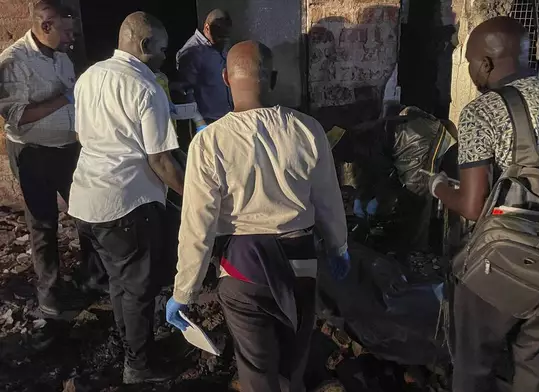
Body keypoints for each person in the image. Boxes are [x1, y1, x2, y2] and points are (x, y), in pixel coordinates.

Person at [165, 41, 349, 392]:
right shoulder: (308, 129)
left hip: (243, 269)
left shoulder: (210, 142)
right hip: (302, 262)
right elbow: (328, 200)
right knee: (294, 357)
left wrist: (183, 290)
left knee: (257, 368)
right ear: (274, 78)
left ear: (225, 78)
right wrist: (339, 246)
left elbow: (197, 226)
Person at [424, 17, 539, 392]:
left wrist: (438, 187)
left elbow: (472, 206)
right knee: (535, 376)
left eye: (469, 61)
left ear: (485, 62)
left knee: (474, 369)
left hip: (495, 267)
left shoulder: (482, 111)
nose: (470, 71)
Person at [68, 11, 184, 384]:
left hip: (87, 199)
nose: (166, 57)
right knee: (137, 289)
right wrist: (196, 197)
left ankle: (132, 345)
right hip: (125, 204)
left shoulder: (89, 76)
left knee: (120, 283)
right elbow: (161, 160)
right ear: (145, 44)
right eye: (163, 49)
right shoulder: (146, 86)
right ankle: (139, 366)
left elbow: (84, 134)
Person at [0, 0, 104, 316]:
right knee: (43, 224)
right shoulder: (14, 61)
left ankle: (93, 278)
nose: (72, 38)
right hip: (33, 155)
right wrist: (63, 100)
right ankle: (49, 293)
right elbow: (16, 117)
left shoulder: (61, 55)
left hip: (68, 149)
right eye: (67, 31)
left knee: (87, 214)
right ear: (46, 26)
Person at [176, 9, 233, 124]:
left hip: (227, 117)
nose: (224, 40)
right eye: (220, 36)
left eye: (226, 36)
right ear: (207, 28)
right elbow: (186, 92)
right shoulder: (191, 52)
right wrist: (199, 123)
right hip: (208, 122)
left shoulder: (221, 43)